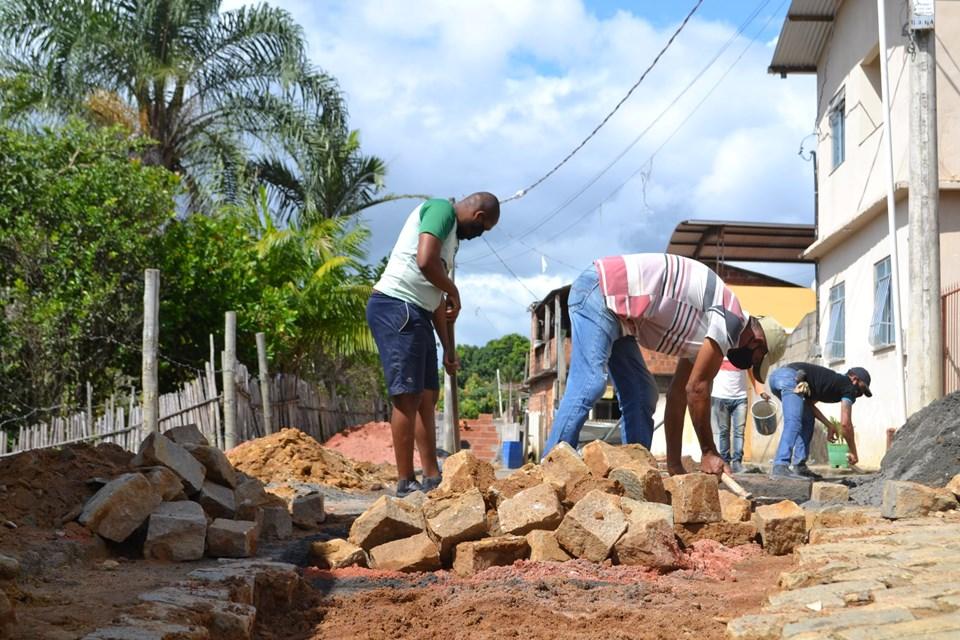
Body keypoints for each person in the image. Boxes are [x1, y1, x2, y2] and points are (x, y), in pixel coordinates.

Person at [542, 253, 787, 477]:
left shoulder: (710, 328)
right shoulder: (731, 319)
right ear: (757, 342)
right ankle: (549, 474)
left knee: (642, 393)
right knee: (590, 383)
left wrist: (674, 468)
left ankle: (634, 475)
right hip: (600, 290)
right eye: (755, 361)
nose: (748, 367)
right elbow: (698, 389)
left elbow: (678, 396)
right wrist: (709, 451)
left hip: (621, 316)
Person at [367, 193, 500, 497]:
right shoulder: (441, 210)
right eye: (483, 230)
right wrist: (454, 290)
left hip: (417, 311)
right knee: (408, 395)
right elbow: (425, 261)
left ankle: (431, 476)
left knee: (428, 395)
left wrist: (449, 350)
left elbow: (438, 300)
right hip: (395, 305)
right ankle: (404, 482)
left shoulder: (450, 240)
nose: (479, 236)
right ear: (478, 218)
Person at [767, 362, 872, 479]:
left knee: (807, 420)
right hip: (790, 377)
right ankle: (780, 465)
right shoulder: (849, 387)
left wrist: (829, 425)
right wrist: (853, 452)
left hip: (778, 377)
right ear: (854, 379)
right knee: (794, 422)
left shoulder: (829, 383)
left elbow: (809, 405)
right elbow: (846, 424)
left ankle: (799, 466)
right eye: (862, 389)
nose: (861, 394)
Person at [711, 358, 767, 473]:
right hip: (720, 397)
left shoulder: (743, 354)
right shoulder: (719, 351)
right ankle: (725, 461)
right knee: (724, 431)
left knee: (739, 431)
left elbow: (753, 372)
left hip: (740, 398)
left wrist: (761, 391)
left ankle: (737, 463)